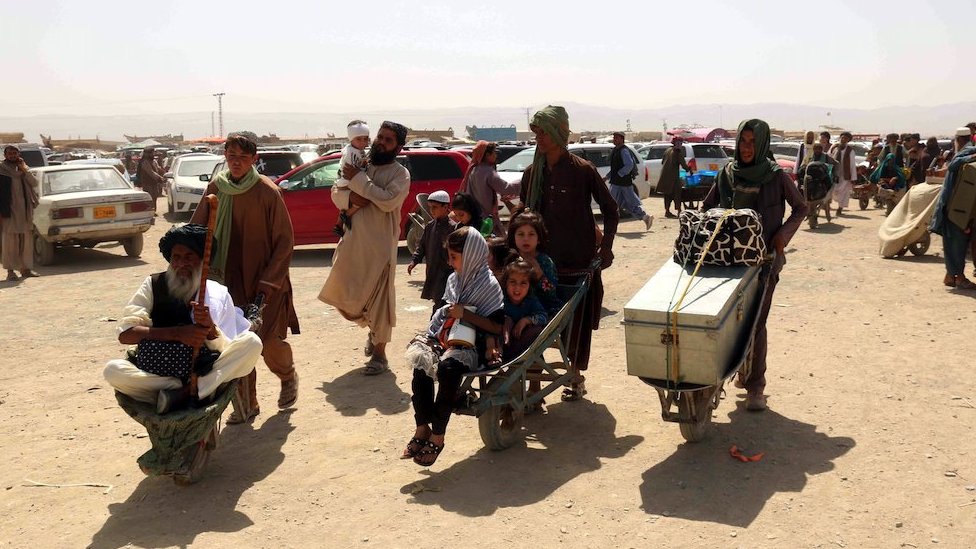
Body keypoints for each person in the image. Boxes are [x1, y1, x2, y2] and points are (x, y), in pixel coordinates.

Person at [191, 131, 300, 422]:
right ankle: (247, 404)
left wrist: (267, 286)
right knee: (237, 344)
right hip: (227, 281)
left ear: (254, 159)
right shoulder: (217, 187)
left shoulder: (267, 191)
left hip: (266, 282)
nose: (236, 162)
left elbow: (284, 243)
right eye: (231, 156)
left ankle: (287, 376)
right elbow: (197, 229)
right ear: (225, 156)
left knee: (269, 343)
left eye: (243, 157)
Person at [702, 119, 808, 412]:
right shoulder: (726, 173)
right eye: (742, 142)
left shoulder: (775, 176)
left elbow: (801, 207)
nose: (746, 148)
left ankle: (756, 386)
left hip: (763, 262)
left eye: (752, 142)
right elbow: (707, 208)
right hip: (726, 262)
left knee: (756, 322)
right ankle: (726, 372)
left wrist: (781, 236)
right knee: (725, 320)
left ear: (761, 144)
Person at [103, 224, 263, 413]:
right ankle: (176, 390)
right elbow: (126, 334)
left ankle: (190, 390)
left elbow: (227, 347)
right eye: (176, 258)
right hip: (158, 372)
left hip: (206, 370)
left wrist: (210, 329)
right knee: (112, 370)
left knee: (252, 343)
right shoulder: (153, 285)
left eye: (189, 257)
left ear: (203, 260)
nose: (181, 264)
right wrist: (178, 334)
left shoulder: (218, 293)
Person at [519, 105, 619, 401]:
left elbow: (611, 210)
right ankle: (534, 385)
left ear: (559, 134)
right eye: (536, 132)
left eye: (544, 132)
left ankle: (574, 375)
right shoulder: (531, 174)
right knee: (536, 321)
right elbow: (524, 218)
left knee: (577, 324)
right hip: (540, 264)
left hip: (577, 262)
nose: (539, 137)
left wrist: (606, 246)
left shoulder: (582, 171)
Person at [403, 227, 504, 466]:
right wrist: (433, 333)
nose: (450, 262)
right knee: (421, 364)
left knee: (448, 370)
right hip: (447, 337)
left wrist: (464, 315)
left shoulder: (489, 285)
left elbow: (496, 327)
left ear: (471, 255)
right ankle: (422, 428)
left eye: (455, 257)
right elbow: (444, 312)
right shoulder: (453, 279)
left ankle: (438, 434)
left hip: (474, 345)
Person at [319, 121, 411, 375]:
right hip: (352, 242)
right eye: (380, 136)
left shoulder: (399, 174)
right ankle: (372, 327)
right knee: (342, 295)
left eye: (388, 140)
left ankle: (380, 354)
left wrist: (358, 182)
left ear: (399, 147)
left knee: (381, 300)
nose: (380, 141)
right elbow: (336, 190)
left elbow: (387, 200)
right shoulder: (359, 162)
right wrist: (350, 197)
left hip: (380, 248)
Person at [408, 190, 456, 315]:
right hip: (433, 272)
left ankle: (435, 329)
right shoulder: (430, 227)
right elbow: (422, 247)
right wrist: (414, 261)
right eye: (430, 207)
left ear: (446, 207)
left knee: (442, 303)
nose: (432, 211)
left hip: (448, 273)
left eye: (435, 207)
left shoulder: (454, 228)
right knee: (438, 300)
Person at [459, 141, 520, 237]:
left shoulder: (473, 170)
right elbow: (506, 189)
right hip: (487, 221)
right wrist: (525, 180)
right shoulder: (488, 171)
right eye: (494, 153)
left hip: (474, 218)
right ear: (487, 155)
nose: (496, 156)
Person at [506, 210, 561, 315]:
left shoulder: (545, 262)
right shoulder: (510, 258)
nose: (526, 239)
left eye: (531, 234)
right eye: (521, 234)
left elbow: (552, 295)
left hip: (542, 311)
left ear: (539, 238)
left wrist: (540, 274)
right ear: (514, 237)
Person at [0, 145, 39, 281]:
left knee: (26, 242)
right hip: (9, 212)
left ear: (18, 154)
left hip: (25, 212)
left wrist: (24, 170)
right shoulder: (2, 170)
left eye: (15, 153)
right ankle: (11, 272)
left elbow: (34, 183)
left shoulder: (23, 168)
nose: (12, 156)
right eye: (10, 154)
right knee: (10, 243)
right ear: (5, 155)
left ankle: (26, 269)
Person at [501, 259, 548, 362]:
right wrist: (506, 321)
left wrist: (526, 320)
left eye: (523, 283)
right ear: (506, 283)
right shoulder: (500, 299)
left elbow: (544, 317)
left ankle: (517, 357)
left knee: (536, 329)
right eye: (513, 282)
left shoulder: (531, 301)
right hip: (502, 344)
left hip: (523, 344)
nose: (517, 288)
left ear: (530, 285)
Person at [605, 131, 653, 230]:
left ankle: (610, 226)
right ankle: (645, 217)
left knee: (612, 203)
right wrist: (607, 177)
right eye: (614, 138)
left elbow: (629, 165)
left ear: (622, 139)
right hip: (617, 182)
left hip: (622, 183)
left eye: (616, 138)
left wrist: (619, 174)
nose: (614, 140)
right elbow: (615, 168)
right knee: (626, 204)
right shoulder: (616, 150)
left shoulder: (624, 151)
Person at [332, 120, 370, 237]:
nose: (362, 142)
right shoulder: (351, 153)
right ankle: (347, 215)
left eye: (365, 138)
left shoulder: (356, 150)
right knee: (363, 198)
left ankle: (339, 223)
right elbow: (355, 171)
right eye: (359, 139)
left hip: (347, 180)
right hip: (347, 181)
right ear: (351, 138)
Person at [657, 137, 692, 218]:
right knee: (677, 193)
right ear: (675, 143)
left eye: (680, 143)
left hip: (664, 176)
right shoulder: (678, 152)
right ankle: (679, 211)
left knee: (667, 195)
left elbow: (663, 162)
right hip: (673, 177)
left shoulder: (668, 150)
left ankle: (667, 211)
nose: (679, 145)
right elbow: (683, 165)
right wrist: (689, 169)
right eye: (678, 143)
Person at [870, 146, 907, 215]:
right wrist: (887, 180)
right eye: (889, 160)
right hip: (885, 185)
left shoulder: (896, 168)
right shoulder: (882, 168)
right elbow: (877, 176)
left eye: (892, 160)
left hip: (896, 186)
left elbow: (901, 177)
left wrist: (895, 178)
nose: (890, 162)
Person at [831, 132, 858, 216]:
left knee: (844, 192)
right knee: (833, 190)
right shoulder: (834, 148)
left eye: (845, 138)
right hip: (835, 173)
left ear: (848, 140)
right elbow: (829, 157)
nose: (843, 140)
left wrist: (853, 177)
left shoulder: (850, 151)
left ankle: (840, 208)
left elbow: (852, 165)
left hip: (845, 174)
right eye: (842, 138)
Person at [136, 147, 166, 214]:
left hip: (154, 183)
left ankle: (153, 211)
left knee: (155, 197)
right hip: (147, 183)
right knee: (149, 198)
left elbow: (158, 168)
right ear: (147, 154)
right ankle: (150, 212)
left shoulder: (153, 161)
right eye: (152, 153)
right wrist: (160, 178)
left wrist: (164, 173)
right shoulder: (144, 162)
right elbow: (151, 172)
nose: (153, 154)